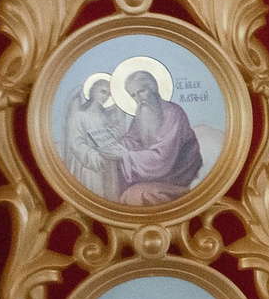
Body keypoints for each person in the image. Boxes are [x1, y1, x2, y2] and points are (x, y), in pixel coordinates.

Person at [112, 68, 203, 206]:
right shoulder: (142, 114)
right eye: (134, 95)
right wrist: (114, 146)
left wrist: (127, 156)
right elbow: (132, 140)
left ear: (153, 89)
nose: (139, 98)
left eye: (142, 91)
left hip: (176, 177)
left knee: (134, 196)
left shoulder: (172, 113)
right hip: (153, 174)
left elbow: (163, 157)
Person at [58, 76, 124, 201]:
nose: (105, 97)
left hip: (108, 164)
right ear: (93, 91)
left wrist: (113, 138)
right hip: (90, 167)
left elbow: (113, 136)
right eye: (103, 92)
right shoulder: (79, 116)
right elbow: (76, 143)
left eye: (109, 94)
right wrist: (93, 155)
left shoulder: (106, 117)